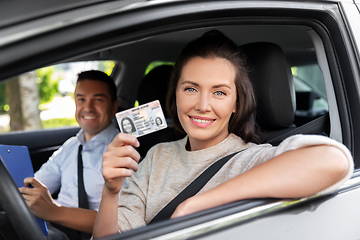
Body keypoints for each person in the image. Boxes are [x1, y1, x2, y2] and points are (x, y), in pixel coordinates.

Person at [92, 30, 354, 238]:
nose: (203, 105)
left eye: (219, 92)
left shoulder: (250, 160)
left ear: (236, 104)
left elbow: (334, 160)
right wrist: (111, 192)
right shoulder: (155, 157)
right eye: (191, 89)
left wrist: (195, 206)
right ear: (175, 95)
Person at [19, 70, 120, 240]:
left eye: (98, 99)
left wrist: (54, 211)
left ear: (114, 106)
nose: (88, 108)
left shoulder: (124, 150)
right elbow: (33, 185)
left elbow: (122, 221)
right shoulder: (71, 146)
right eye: (81, 99)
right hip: (52, 229)